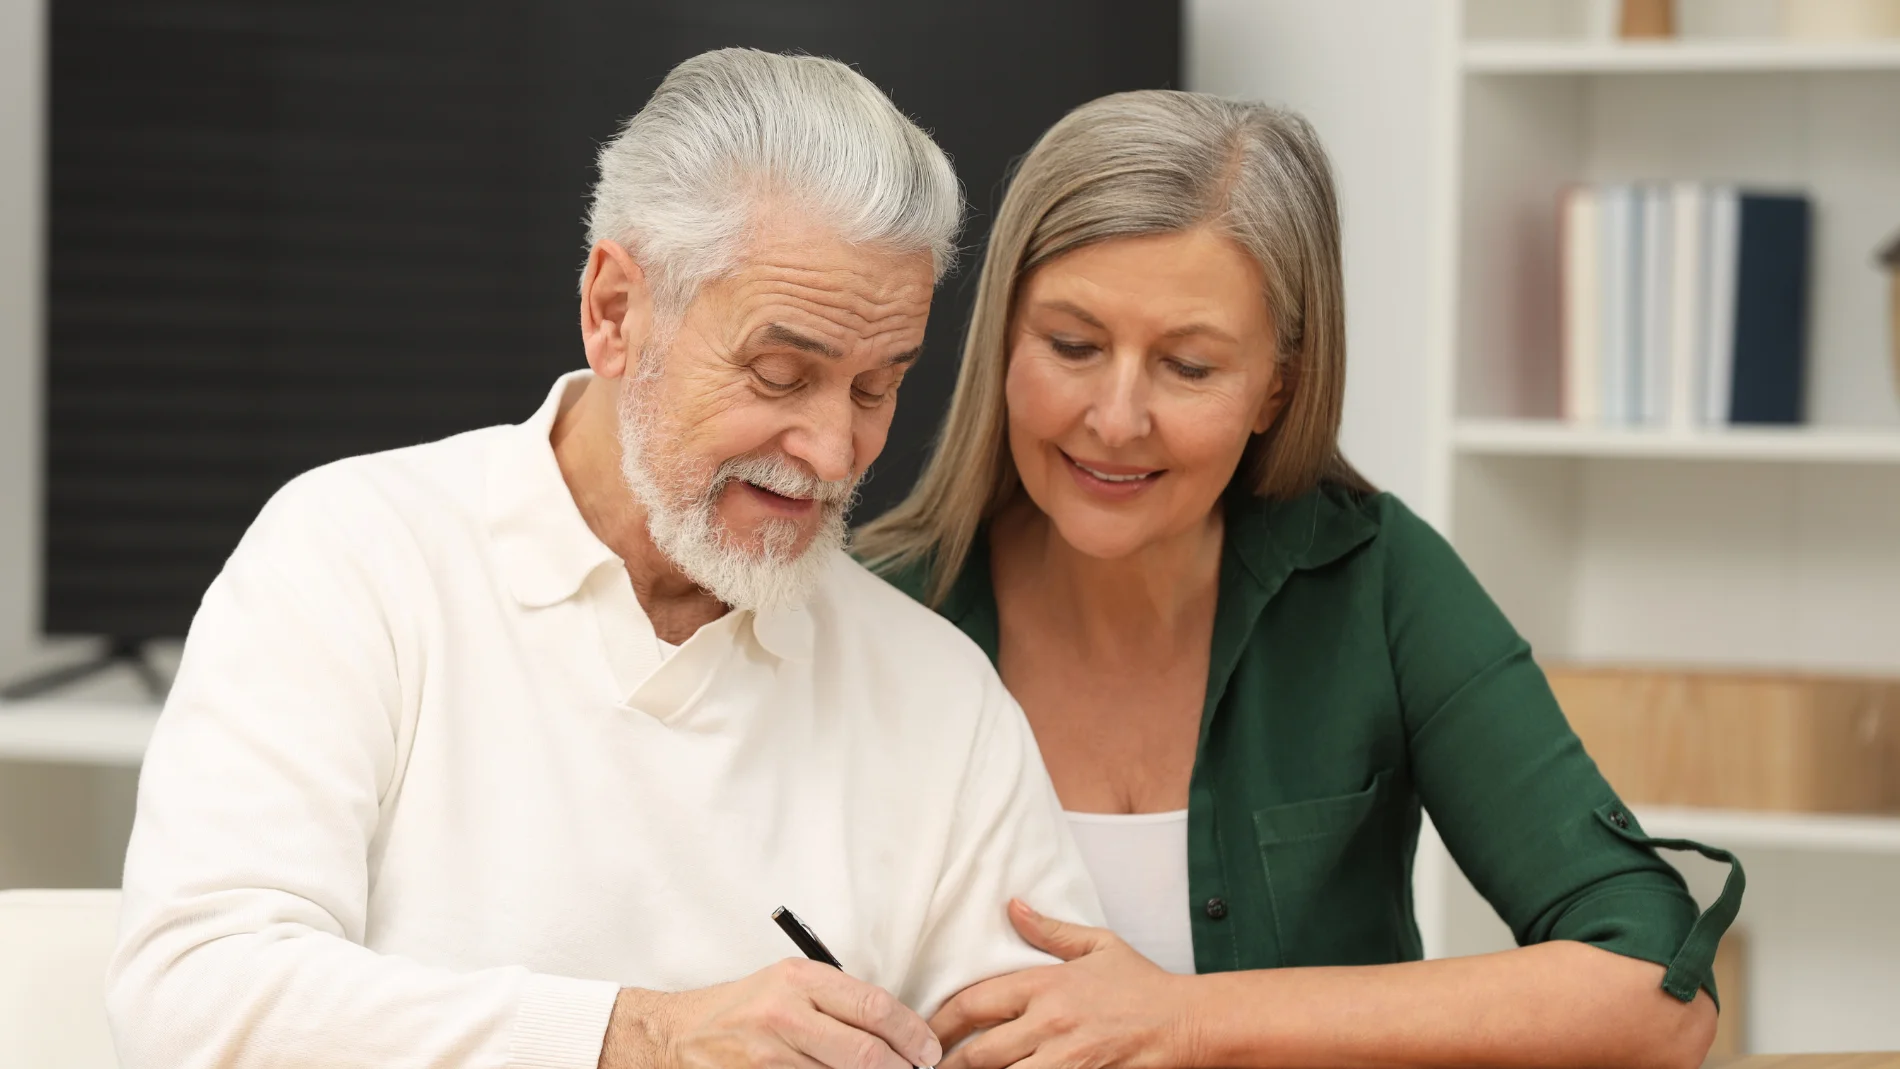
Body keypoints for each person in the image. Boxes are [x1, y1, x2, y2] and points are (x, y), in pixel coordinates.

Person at [106, 48, 1102, 1069]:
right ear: (616, 311)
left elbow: (1055, 1040)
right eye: (779, 372)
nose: (835, 451)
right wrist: (639, 1036)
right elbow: (196, 994)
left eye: (875, 388)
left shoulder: (935, 693)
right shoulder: (352, 557)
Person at [857, 90, 1743, 1069]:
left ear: (1277, 384)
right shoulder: (863, 614)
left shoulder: (1378, 582)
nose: (1114, 418)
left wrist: (1186, 1022)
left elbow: (1655, 996)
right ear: (1002, 338)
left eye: (1187, 367)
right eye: (1071, 345)